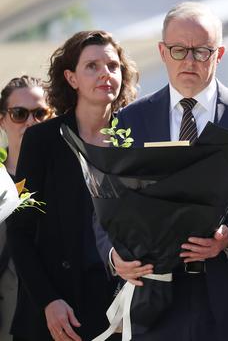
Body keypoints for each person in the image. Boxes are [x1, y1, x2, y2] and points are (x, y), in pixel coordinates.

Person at [92, 2, 228, 341]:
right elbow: (104, 205)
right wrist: (114, 257)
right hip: (155, 301)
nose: (189, 61)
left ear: (219, 53)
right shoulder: (130, 121)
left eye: (201, 51)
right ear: (162, 52)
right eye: (179, 50)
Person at [7, 30, 137, 341]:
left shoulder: (136, 137)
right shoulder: (42, 140)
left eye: (112, 65)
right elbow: (19, 231)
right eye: (92, 66)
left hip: (117, 308)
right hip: (55, 312)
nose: (105, 73)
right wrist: (48, 301)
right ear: (72, 77)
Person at [0, 75, 50, 341]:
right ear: (2, 120)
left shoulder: (61, 178)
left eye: (41, 113)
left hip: (57, 318)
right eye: (19, 114)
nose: (31, 122)